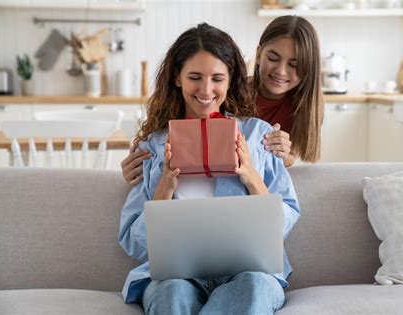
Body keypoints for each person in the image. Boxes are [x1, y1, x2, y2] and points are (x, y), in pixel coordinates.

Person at [118, 23, 300, 315]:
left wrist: (251, 177)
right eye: (194, 77)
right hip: (177, 275)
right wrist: (165, 186)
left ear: (230, 81)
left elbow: (286, 220)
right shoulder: (153, 146)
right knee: (172, 293)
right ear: (177, 78)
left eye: (217, 78)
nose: (206, 90)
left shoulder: (258, 136)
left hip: (248, 272)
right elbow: (133, 241)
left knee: (254, 289)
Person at [121, 15, 323, 185]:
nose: (281, 71)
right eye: (273, 58)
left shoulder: (307, 107)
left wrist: (280, 156)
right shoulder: (232, 92)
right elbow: (184, 127)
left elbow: (289, 159)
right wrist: (144, 163)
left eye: (294, 64)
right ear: (260, 53)